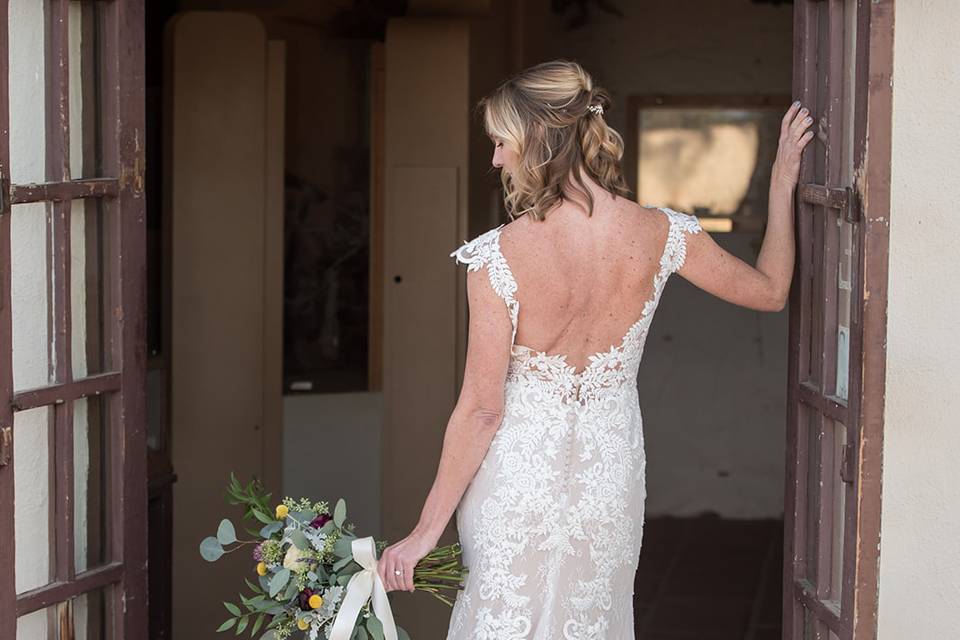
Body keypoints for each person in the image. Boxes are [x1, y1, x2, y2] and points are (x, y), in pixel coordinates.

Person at [375, 59, 814, 638]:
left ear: (538, 140)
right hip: (607, 480)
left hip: (514, 481)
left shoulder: (495, 257)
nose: (495, 159)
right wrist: (782, 182)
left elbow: (482, 410)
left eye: (502, 143)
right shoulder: (662, 233)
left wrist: (424, 532)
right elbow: (771, 292)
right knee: (592, 621)